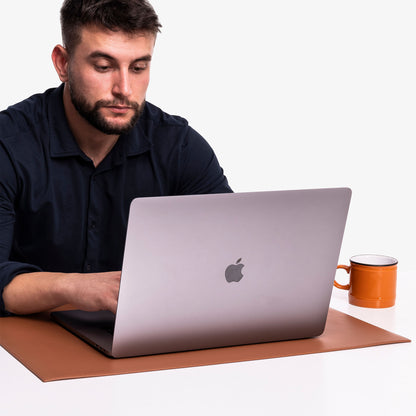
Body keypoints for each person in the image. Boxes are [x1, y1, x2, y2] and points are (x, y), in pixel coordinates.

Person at [0, 0, 231, 317]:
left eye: (138, 68)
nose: (124, 89)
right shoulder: (8, 145)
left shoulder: (179, 146)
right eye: (104, 67)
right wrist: (73, 287)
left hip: (146, 337)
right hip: (24, 347)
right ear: (63, 63)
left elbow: (231, 253)